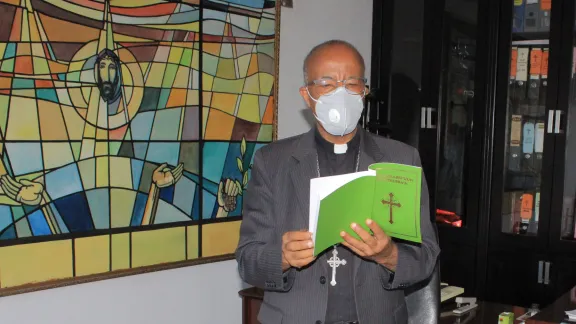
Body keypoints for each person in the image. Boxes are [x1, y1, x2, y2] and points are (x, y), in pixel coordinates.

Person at [235, 39, 440, 324]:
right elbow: (248, 261)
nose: (341, 93)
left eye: (352, 83)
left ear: (364, 92)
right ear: (307, 95)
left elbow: (426, 257)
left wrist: (388, 254)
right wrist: (281, 257)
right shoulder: (272, 162)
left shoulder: (401, 159)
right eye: (328, 84)